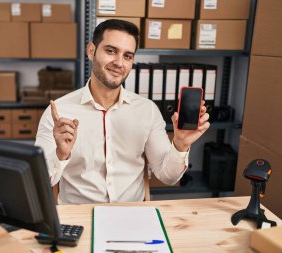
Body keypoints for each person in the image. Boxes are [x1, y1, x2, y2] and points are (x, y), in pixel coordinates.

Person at [35, 19, 210, 204]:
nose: (119, 63)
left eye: (127, 56)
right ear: (91, 51)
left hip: (132, 215)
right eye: (111, 51)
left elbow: (168, 177)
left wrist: (180, 145)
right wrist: (61, 155)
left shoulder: (147, 110)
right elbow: (40, 183)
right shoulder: (59, 112)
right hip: (79, 217)